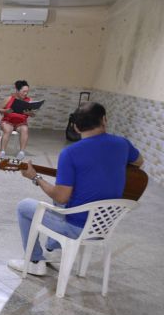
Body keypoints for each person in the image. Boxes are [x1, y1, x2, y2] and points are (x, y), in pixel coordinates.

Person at [8, 102, 144, 276]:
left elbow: (62, 196)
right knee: (59, 197)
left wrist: (35, 177)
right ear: (104, 120)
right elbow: (139, 162)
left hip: (79, 228)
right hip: (104, 225)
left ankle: (35, 261)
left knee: (24, 206)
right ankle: (53, 246)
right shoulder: (123, 144)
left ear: (76, 127)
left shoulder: (71, 153)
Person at [0, 80, 34, 159]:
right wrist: (6, 111)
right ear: (17, 90)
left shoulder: (29, 101)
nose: (25, 94)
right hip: (8, 121)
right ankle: (3, 151)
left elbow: (33, 115)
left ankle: (21, 152)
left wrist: (29, 113)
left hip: (21, 123)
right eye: (24, 91)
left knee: (25, 129)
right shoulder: (9, 98)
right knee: (7, 130)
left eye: (27, 92)